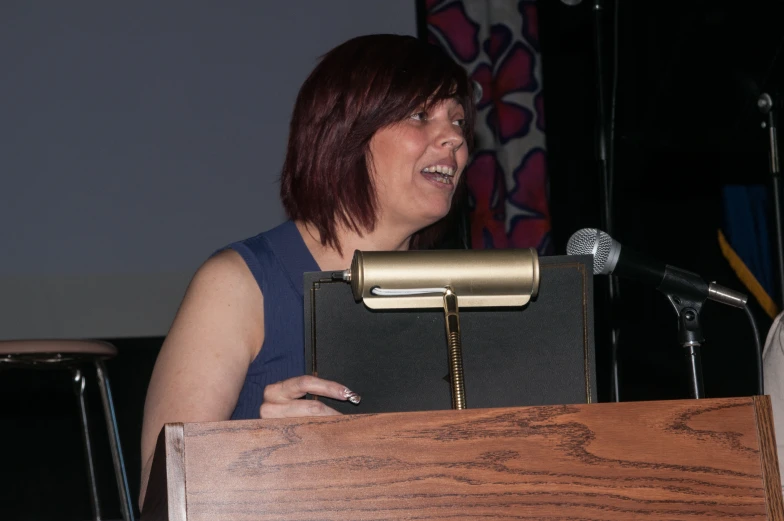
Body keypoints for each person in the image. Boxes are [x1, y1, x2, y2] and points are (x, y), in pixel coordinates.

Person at [138, 33, 476, 506]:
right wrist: (266, 450)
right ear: (346, 133)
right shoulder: (238, 285)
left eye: (458, 120)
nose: (455, 137)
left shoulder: (465, 295)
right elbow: (159, 495)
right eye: (421, 115)